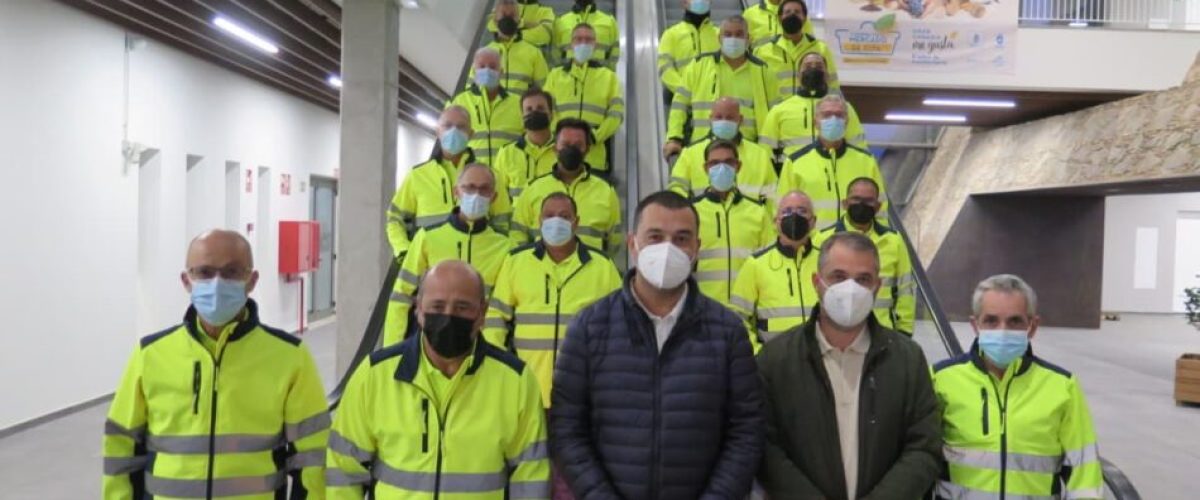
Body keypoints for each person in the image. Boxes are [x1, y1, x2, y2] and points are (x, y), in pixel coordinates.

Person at [551, 191, 763, 499]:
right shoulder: (588, 327)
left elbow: (746, 431)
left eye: (681, 238)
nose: (668, 249)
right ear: (632, 244)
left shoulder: (728, 332)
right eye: (655, 236)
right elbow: (567, 429)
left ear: (696, 249)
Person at [103, 230, 328, 499]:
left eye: (232, 272)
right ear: (186, 280)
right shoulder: (150, 355)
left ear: (252, 280)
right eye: (205, 272)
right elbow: (121, 447)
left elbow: (314, 455)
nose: (217, 284)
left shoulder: (289, 357)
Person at [327, 261, 550, 499]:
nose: (448, 316)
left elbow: (530, 478)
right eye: (438, 305)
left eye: (462, 307)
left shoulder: (515, 382)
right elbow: (344, 470)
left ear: (482, 313)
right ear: (419, 311)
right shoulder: (374, 376)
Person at [758, 232, 942, 499]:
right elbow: (765, 448)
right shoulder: (776, 360)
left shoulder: (907, 360)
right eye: (838, 277)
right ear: (817, 282)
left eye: (863, 279)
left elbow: (924, 447)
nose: (850, 289)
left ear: (877, 287)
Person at [933, 275, 1104, 499]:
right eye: (991, 321)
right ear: (975, 325)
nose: (1002, 330)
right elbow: (917, 459)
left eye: (1014, 321)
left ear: (1032, 326)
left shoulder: (1062, 387)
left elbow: (1084, 473)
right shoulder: (941, 379)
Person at [484, 192, 622, 410]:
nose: (556, 221)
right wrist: (497, 367)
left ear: (576, 222)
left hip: (582, 394)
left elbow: (620, 326)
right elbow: (495, 319)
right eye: (549, 216)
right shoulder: (516, 262)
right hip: (527, 391)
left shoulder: (603, 266)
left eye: (564, 216)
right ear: (539, 221)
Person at [384, 164, 514, 346]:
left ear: (494, 197)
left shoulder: (505, 247)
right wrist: (392, 349)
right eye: (469, 187)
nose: (476, 195)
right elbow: (401, 296)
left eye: (484, 189)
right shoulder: (427, 238)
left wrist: (493, 353)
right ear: (456, 192)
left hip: (481, 347)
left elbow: (500, 309)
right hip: (430, 344)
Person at [386, 106, 512, 258]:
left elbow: (503, 223)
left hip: (477, 262)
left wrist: (496, 255)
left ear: (471, 134)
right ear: (438, 131)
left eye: (461, 127)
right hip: (429, 263)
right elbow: (394, 218)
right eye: (448, 126)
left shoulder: (490, 176)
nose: (454, 131)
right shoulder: (417, 175)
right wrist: (405, 251)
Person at [665, 15, 778, 157]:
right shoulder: (698, 65)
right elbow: (679, 104)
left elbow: (775, 114)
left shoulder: (763, 71)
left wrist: (771, 150)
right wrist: (674, 138)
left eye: (739, 34)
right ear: (719, 38)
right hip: (703, 149)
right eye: (728, 34)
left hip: (749, 151)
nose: (733, 39)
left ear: (748, 39)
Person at [813, 177, 914, 334]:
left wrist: (905, 330)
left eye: (868, 201)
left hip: (882, 332)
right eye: (856, 199)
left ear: (878, 206)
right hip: (834, 331)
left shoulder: (893, 241)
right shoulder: (822, 239)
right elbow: (814, 288)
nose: (862, 205)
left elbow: (905, 289)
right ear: (845, 203)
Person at [511, 119, 621, 256]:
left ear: (587, 150)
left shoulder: (605, 191)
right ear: (555, 149)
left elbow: (615, 241)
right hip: (540, 272)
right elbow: (517, 234)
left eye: (578, 145)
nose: (571, 149)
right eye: (566, 144)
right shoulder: (533, 189)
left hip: (589, 273)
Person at [777, 94, 886, 228]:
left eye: (839, 115)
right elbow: (782, 209)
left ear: (847, 121)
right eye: (827, 115)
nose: (833, 120)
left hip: (855, 243)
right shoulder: (795, 163)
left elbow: (881, 208)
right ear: (815, 122)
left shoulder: (866, 161)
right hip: (814, 245)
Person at [730, 190, 820, 353]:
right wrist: (758, 353)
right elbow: (737, 317)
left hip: (822, 360)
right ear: (776, 222)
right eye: (786, 211)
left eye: (802, 211)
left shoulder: (826, 262)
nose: (794, 216)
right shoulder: (755, 264)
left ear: (813, 221)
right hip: (773, 364)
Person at [691, 139, 776, 307]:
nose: (722, 168)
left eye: (728, 162)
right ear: (706, 168)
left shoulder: (758, 212)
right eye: (715, 163)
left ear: (738, 166)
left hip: (746, 309)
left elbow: (769, 263)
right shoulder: (691, 212)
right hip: (702, 309)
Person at [667, 96, 778, 207]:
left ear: (740, 120)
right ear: (710, 119)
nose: (724, 121)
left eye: (729, 118)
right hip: (705, 221)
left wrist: (766, 221)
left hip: (750, 221)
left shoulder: (760, 155)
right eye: (718, 117)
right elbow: (676, 194)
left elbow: (773, 197)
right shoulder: (690, 154)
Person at [543, 23, 624, 173]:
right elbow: (547, 111)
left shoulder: (609, 77)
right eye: (578, 39)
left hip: (594, 159)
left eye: (588, 40)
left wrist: (594, 137)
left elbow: (616, 114)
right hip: (559, 158)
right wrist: (562, 137)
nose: (583, 43)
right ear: (571, 43)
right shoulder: (555, 75)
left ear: (595, 44)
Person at [760, 52, 867, 156]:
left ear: (827, 75)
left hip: (834, 169)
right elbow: (765, 152)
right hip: (791, 172)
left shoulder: (844, 109)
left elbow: (859, 148)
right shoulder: (779, 110)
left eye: (819, 66)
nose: (813, 68)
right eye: (808, 66)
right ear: (798, 75)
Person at [451, 47, 525, 166]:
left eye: (492, 66)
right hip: (472, 178)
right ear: (474, 71)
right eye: (482, 66)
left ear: (501, 72)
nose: (487, 70)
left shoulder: (518, 103)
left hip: (508, 178)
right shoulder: (460, 102)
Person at [753, 0, 839, 99]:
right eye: (787, 12)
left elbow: (833, 85)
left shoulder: (821, 49)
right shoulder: (763, 52)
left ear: (804, 18)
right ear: (780, 18)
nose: (792, 15)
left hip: (812, 111)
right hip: (779, 113)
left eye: (797, 12)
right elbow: (759, 91)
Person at [494, 87, 559, 202]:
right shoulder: (506, 153)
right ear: (522, 116)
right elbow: (498, 197)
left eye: (540, 108)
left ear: (552, 114)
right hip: (517, 219)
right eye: (529, 109)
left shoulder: (562, 152)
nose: (534, 112)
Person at [471, 0, 550, 94]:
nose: (508, 19)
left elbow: (545, 90)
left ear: (519, 20)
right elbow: (471, 91)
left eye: (512, 15)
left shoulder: (534, 53)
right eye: (504, 15)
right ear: (495, 20)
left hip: (519, 108)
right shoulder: (484, 55)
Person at [657, 0, 719, 101]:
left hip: (715, 106)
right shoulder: (671, 35)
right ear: (683, 2)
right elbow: (665, 69)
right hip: (680, 105)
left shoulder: (720, 35)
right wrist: (686, 92)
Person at [553, 0, 620, 67]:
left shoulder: (609, 22)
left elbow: (615, 54)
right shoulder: (561, 22)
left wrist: (607, 75)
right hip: (568, 75)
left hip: (599, 75)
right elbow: (555, 54)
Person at [744, 0, 816, 49]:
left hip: (791, 66)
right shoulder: (749, 15)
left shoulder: (797, 14)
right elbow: (744, 47)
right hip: (760, 66)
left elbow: (810, 46)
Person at [485, 0, 555, 49]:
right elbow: (491, 24)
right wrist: (523, 23)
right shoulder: (506, 6)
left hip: (530, 61)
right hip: (499, 58)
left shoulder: (546, 11)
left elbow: (545, 35)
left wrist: (512, 33)